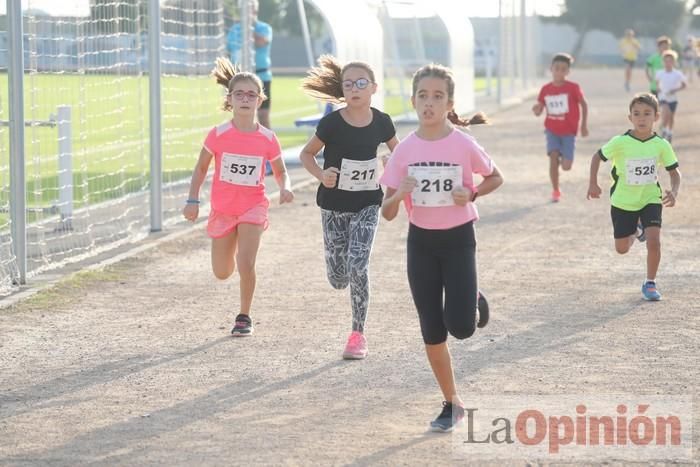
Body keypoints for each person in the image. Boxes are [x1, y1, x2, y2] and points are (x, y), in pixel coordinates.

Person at [379, 64, 503, 432]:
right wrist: (399, 194)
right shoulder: (404, 150)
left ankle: (472, 296)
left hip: (459, 239)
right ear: (413, 100)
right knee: (432, 328)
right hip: (421, 244)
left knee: (461, 328)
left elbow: (495, 176)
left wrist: (474, 192)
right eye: (422, 96)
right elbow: (386, 213)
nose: (429, 103)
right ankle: (452, 402)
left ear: (449, 103)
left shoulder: (463, 143)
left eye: (437, 96)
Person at [183, 57, 294, 336]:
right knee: (222, 272)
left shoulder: (268, 138)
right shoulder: (218, 134)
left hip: (253, 207)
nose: (245, 99)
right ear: (230, 99)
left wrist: (285, 187)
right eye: (239, 94)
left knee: (246, 263)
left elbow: (281, 171)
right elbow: (200, 168)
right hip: (223, 209)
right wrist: (192, 200)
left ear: (260, 100)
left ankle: (244, 316)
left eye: (251, 94)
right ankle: (229, 251)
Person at [299, 55, 399, 360]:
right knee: (339, 277)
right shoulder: (331, 123)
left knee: (358, 264)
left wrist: (390, 163)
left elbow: (402, 154)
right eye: (348, 84)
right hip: (333, 206)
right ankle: (338, 270)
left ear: (373, 88)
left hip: (368, 202)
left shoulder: (382, 121)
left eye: (361, 83)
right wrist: (321, 175)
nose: (354, 88)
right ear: (343, 91)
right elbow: (307, 154)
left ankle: (358, 334)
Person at [587, 93, 681, 301]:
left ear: (656, 117)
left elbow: (674, 173)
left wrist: (674, 192)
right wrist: (593, 182)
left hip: (650, 198)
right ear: (630, 117)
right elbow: (597, 157)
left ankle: (650, 283)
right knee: (621, 249)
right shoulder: (620, 142)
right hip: (623, 201)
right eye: (636, 114)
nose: (641, 118)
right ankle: (637, 230)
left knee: (654, 242)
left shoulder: (661, 145)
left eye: (647, 114)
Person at [532, 53, 588, 202]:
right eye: (557, 68)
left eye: (563, 69)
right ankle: (556, 190)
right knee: (553, 157)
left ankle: (564, 155)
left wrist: (583, 125)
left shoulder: (573, 88)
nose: (559, 72)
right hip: (552, 130)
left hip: (569, 131)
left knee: (566, 167)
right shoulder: (545, 89)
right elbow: (540, 107)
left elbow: (583, 104)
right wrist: (537, 109)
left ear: (568, 72)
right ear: (551, 69)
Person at [227, 0, 273, 129]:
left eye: (250, 9)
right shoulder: (235, 30)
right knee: (239, 115)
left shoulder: (264, 28)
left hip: (262, 76)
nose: (248, 12)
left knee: (263, 115)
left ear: (255, 10)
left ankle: (269, 146)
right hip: (239, 78)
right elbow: (228, 49)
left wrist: (249, 28)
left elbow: (262, 42)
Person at [655, 50, 687, 142]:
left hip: (673, 98)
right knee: (666, 112)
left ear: (674, 62)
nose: (668, 63)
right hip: (663, 97)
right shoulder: (660, 73)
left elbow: (684, 85)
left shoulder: (677, 73)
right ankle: (663, 129)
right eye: (666, 61)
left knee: (671, 117)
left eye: (670, 61)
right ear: (663, 62)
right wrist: (658, 89)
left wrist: (675, 90)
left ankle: (669, 132)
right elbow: (657, 84)